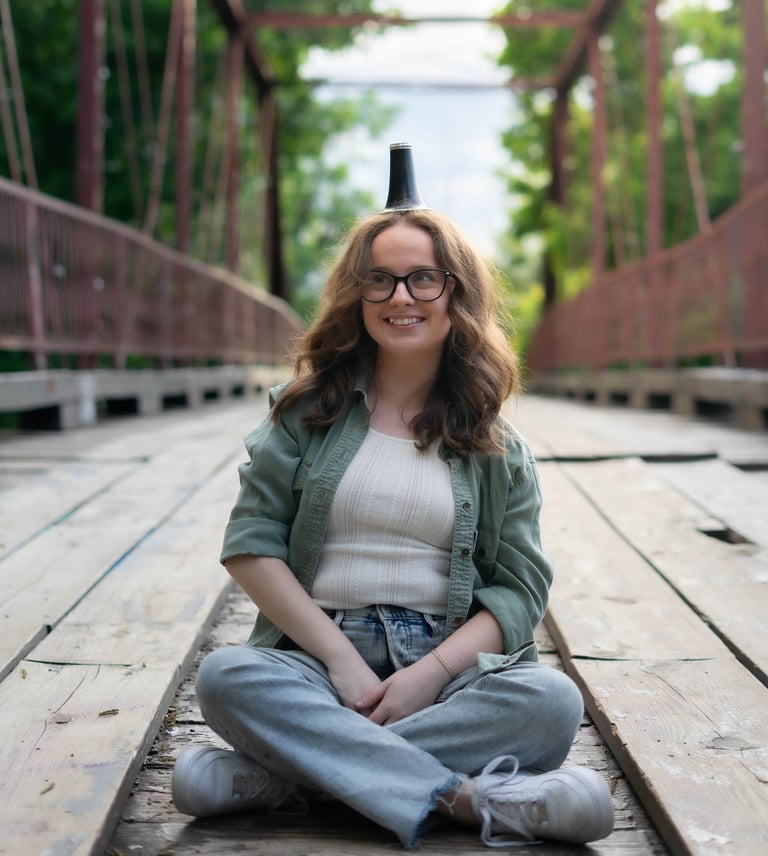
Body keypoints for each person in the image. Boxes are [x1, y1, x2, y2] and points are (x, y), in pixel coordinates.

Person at [171, 143, 614, 848]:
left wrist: (427, 675)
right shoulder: (302, 414)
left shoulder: (499, 447)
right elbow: (251, 545)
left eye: (422, 279)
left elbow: (519, 592)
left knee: (550, 701)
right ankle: (467, 800)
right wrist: (342, 662)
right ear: (358, 296)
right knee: (228, 676)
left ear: (456, 294)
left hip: (445, 663)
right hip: (317, 653)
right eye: (378, 281)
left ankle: (289, 777)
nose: (400, 298)